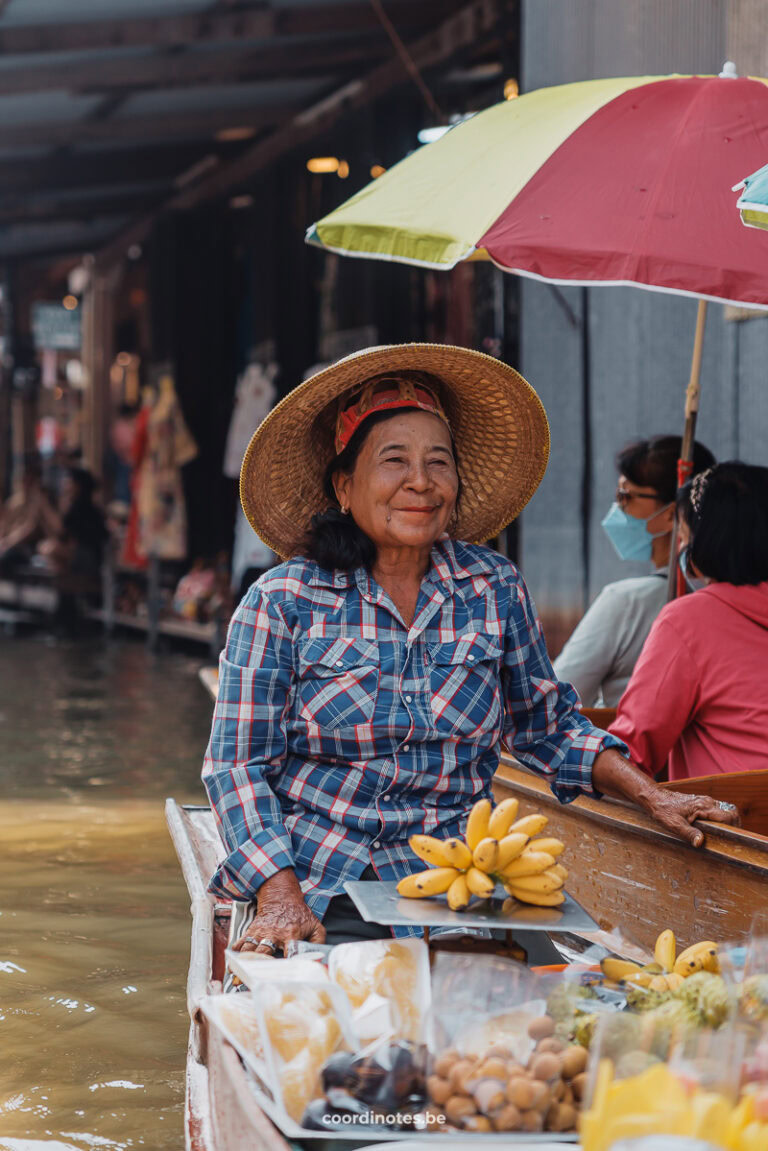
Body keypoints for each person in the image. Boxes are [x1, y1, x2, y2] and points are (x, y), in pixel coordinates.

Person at [201, 345, 738, 953]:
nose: (421, 482)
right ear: (344, 486)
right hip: (320, 883)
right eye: (394, 460)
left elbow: (548, 726)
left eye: (439, 461)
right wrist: (278, 895)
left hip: (463, 881)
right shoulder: (283, 600)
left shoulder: (492, 586)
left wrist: (651, 794)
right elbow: (236, 767)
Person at [610, 462, 768, 781]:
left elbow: (633, 750)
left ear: (704, 544)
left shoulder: (687, 621)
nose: (680, 547)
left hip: (736, 827)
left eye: (682, 537)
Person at [553, 435, 715, 707]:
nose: (618, 507)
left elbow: (560, 696)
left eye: (625, 495)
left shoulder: (626, 601)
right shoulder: (726, 600)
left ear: (671, 514)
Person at [0, 457, 61, 575]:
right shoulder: (16, 501)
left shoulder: (41, 500)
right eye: (24, 479)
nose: (25, 483)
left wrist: (8, 543)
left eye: (29, 480)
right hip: (9, 544)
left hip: (25, 547)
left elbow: (30, 528)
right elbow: (5, 524)